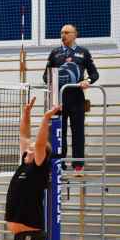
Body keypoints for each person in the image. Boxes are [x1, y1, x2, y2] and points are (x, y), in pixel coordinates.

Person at [3, 99, 61, 240]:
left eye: (33, 150)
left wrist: (46, 119)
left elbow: (37, 143)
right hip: (24, 234)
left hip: (30, 233)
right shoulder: (25, 165)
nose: (27, 150)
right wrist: (27, 113)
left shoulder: (38, 168)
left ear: (40, 155)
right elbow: (25, 136)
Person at [43, 24, 99, 171]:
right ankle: (59, 165)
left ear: (75, 34)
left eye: (67, 32)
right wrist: (53, 81)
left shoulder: (83, 52)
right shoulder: (55, 53)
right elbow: (45, 76)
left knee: (78, 132)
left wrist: (87, 81)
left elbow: (94, 74)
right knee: (58, 133)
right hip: (58, 100)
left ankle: (78, 165)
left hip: (77, 99)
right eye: (62, 32)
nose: (63, 35)